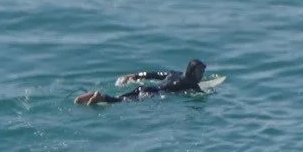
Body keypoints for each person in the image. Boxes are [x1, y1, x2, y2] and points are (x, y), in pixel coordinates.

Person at [76, 59, 209, 106]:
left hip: (146, 88)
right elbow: (200, 94)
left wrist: (135, 75)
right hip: (152, 94)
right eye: (200, 72)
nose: (201, 75)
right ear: (192, 72)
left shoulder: (174, 73)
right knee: (119, 102)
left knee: (121, 98)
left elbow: (154, 74)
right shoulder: (192, 84)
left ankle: (91, 95)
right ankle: (99, 97)